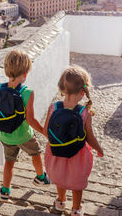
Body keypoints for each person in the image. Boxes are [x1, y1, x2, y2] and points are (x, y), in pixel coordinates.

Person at [0, 50, 50, 202]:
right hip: (24, 135)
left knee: (9, 162)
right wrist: (44, 132)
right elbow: (31, 120)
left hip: (6, 136)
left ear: (7, 70)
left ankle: (5, 191)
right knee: (35, 154)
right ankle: (41, 177)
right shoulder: (27, 92)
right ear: (26, 73)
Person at [44, 65, 104, 216]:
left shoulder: (53, 107)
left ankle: (60, 202)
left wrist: (60, 141)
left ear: (61, 88)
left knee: (60, 178)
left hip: (56, 152)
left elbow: (46, 131)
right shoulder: (84, 113)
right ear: (84, 92)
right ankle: (76, 210)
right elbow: (89, 137)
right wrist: (98, 148)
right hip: (77, 155)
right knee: (77, 184)